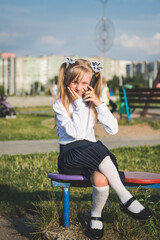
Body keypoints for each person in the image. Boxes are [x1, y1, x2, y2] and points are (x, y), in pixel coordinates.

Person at [53, 58, 153, 240]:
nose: (79, 87)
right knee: (95, 146)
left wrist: (100, 104)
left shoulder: (92, 103)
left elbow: (113, 129)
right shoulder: (60, 104)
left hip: (92, 157)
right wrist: (78, 107)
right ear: (67, 81)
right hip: (70, 158)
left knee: (101, 177)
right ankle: (126, 198)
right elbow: (77, 134)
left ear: (90, 83)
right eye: (75, 82)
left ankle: (95, 216)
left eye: (84, 83)